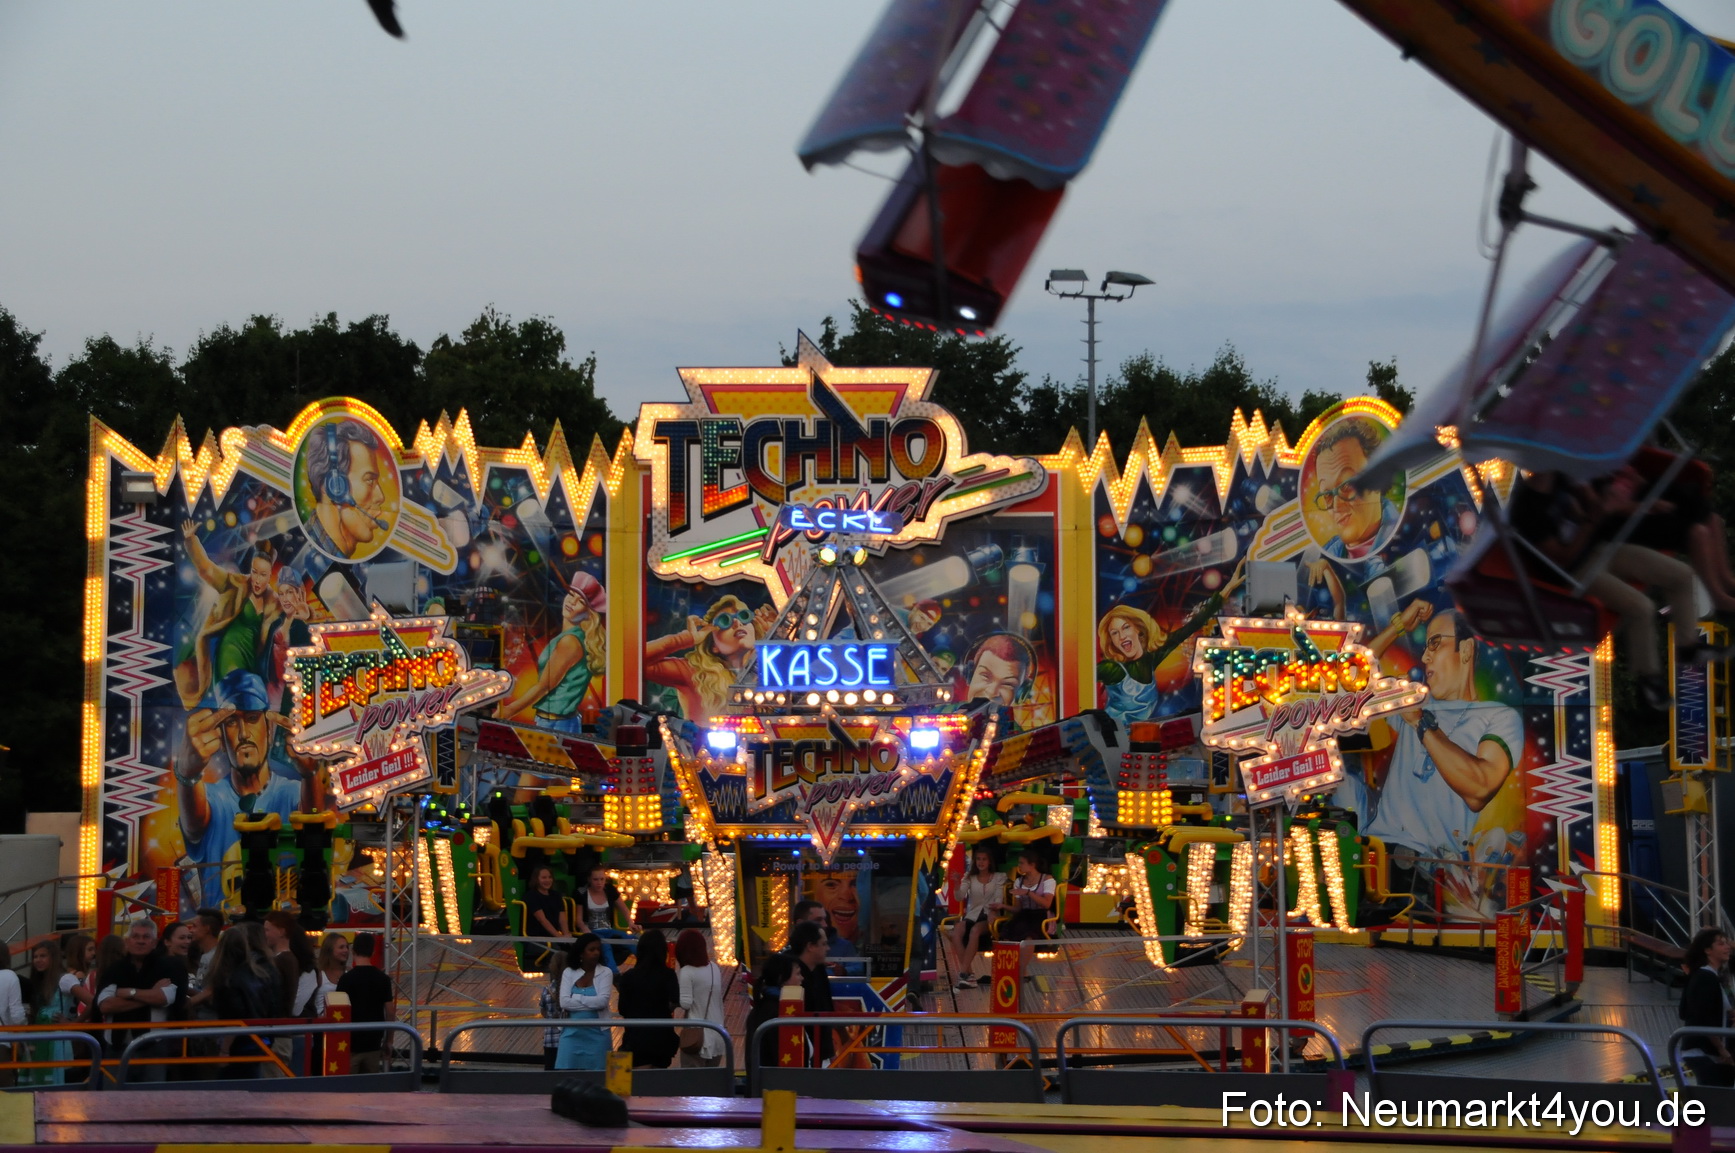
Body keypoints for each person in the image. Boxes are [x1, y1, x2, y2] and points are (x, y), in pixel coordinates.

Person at [1364, 608, 1524, 908]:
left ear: (1465, 649)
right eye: (1425, 646)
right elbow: (1352, 676)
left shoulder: (1498, 716)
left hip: (1424, 874)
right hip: (1373, 854)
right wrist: (1398, 626)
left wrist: (1421, 725)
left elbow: (1480, 788)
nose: (1425, 657)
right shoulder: (1417, 703)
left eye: (1435, 644)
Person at [1509, 470, 1705, 709]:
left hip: (1599, 549)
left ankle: (1688, 647)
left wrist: (1638, 506)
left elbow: (1594, 506)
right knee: (1641, 607)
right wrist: (1594, 517)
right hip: (1572, 572)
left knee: (1682, 575)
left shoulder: (1561, 477)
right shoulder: (1528, 509)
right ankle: (1648, 679)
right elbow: (1563, 557)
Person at [174, 669, 301, 903]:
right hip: (223, 930)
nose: (243, 734)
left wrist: (313, 775)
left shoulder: (292, 791)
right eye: (232, 722)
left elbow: (316, 828)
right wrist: (186, 774)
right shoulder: (212, 797)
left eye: (252, 718)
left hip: (278, 927)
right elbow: (194, 825)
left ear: (270, 729)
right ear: (221, 738)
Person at [172, 522, 285, 710]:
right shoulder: (235, 585)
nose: (257, 579)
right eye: (254, 572)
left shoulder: (274, 602)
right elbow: (206, 569)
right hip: (230, 663)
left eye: (263, 575)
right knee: (243, 705)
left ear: (269, 575)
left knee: (254, 717)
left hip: (254, 669)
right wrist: (191, 540)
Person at [496, 571, 606, 733]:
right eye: (571, 594)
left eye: (580, 601)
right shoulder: (572, 638)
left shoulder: (569, 642)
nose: (571, 602)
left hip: (556, 724)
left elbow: (545, 686)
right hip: (558, 721)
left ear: (588, 614)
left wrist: (508, 711)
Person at [644, 595, 778, 719]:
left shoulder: (771, 671)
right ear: (714, 645)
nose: (737, 623)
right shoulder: (695, 672)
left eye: (743, 616)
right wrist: (686, 638)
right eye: (725, 621)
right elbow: (636, 661)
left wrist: (780, 636)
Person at [96, 920, 188, 1082]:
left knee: (152, 1102)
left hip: (154, 1047)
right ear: (127, 941)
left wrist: (129, 993)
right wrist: (150, 995)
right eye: (135, 936)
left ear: (154, 943)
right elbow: (106, 1005)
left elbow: (166, 997)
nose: (140, 941)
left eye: (146, 937)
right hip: (116, 1046)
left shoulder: (166, 967)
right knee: (113, 1102)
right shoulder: (115, 969)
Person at [303, 418, 395, 560]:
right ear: (335, 487)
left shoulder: (341, 562)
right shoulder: (307, 560)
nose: (381, 496)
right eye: (369, 480)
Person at [206, 923, 280, 1079]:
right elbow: (273, 1005)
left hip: (238, 1044)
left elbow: (235, 1014)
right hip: (259, 1038)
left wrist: (225, 1049)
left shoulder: (228, 979)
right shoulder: (259, 973)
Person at [614, 929, 679, 1069]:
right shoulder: (668, 975)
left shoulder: (628, 977)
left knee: (628, 1086)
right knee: (656, 1086)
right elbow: (675, 1000)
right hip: (661, 1040)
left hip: (634, 1039)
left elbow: (622, 1009)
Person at [1679, 928, 1735, 1087]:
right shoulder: (1704, 977)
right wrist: (1721, 1048)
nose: (1727, 947)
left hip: (1715, 1052)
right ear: (1707, 950)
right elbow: (1701, 1016)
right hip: (1705, 1051)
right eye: (1721, 944)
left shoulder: (1714, 977)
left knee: (1721, 1099)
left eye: (1727, 943)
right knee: (1714, 1101)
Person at [335, 933, 395, 1074]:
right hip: (373, 1043)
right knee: (370, 1089)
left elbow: (337, 1011)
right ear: (373, 952)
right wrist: (389, 1041)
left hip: (349, 1044)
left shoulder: (346, 979)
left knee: (348, 1088)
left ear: (353, 951)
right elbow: (390, 1012)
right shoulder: (383, 979)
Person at [20, 941, 78, 1086]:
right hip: (39, 1036)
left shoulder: (65, 979)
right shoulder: (39, 981)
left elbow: (92, 1002)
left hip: (57, 1038)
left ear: (53, 957)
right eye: (35, 956)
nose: (38, 960)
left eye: (43, 956)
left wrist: (73, 1023)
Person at [555, 933, 614, 1070]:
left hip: (598, 1035)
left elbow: (602, 1002)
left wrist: (576, 999)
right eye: (591, 950)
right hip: (571, 1034)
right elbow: (564, 1002)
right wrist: (590, 1003)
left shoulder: (606, 972)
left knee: (599, 1077)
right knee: (566, 1075)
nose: (596, 953)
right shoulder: (568, 972)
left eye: (598, 949)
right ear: (581, 953)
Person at [950, 848, 1005, 991]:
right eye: (978, 859)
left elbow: (999, 897)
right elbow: (959, 897)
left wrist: (994, 910)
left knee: (975, 931)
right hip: (972, 915)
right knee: (957, 931)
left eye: (984, 859)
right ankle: (970, 975)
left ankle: (963, 973)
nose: (981, 862)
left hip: (990, 915)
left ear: (989, 861)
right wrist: (956, 884)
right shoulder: (969, 877)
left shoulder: (999, 877)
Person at [961, 633, 1037, 735]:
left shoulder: (1017, 736)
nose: (992, 692)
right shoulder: (941, 714)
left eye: (1008, 684)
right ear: (970, 674)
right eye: (985, 676)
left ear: (1021, 693)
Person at [674, 928, 725, 1068]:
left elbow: (685, 1003)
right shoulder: (714, 967)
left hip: (696, 1037)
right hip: (717, 1032)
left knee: (693, 1084)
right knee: (711, 1082)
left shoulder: (687, 972)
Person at [788, 921, 836, 1065]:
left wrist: (829, 1051)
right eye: (823, 944)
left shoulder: (818, 969)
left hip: (818, 1051)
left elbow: (825, 1008)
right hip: (801, 1052)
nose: (828, 948)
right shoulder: (790, 977)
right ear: (810, 946)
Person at [745, 952, 795, 1073]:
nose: (802, 978)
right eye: (798, 974)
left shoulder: (767, 1007)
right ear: (782, 979)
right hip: (773, 1088)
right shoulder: (776, 1012)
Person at [579, 866, 635, 975]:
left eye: (602, 879)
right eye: (595, 879)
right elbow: (579, 920)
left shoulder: (610, 890)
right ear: (589, 880)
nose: (599, 882)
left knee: (631, 939)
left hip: (608, 929)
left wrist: (630, 922)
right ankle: (613, 972)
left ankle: (647, 965)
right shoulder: (582, 893)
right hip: (592, 930)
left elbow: (624, 909)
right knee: (605, 944)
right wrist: (585, 930)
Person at [521, 864, 569, 973]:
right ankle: (557, 982)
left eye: (549, 877)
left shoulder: (556, 895)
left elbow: (562, 918)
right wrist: (558, 936)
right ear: (536, 879)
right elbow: (542, 920)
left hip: (554, 937)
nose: (547, 880)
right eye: (544, 877)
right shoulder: (531, 896)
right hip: (535, 939)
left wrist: (566, 936)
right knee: (557, 951)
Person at [1000, 851, 1056, 943]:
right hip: (1024, 914)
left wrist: (1028, 893)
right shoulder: (1019, 881)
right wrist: (1002, 906)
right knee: (1008, 931)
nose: (1019, 865)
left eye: (1022, 863)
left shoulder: (1047, 879)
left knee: (1029, 936)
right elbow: (1018, 909)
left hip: (1042, 915)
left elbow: (1046, 904)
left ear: (1032, 865)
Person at [313, 932, 350, 1016]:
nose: (346, 950)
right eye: (341, 947)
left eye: (347, 947)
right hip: (322, 1025)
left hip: (345, 1023)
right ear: (329, 950)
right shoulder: (319, 974)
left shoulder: (350, 972)